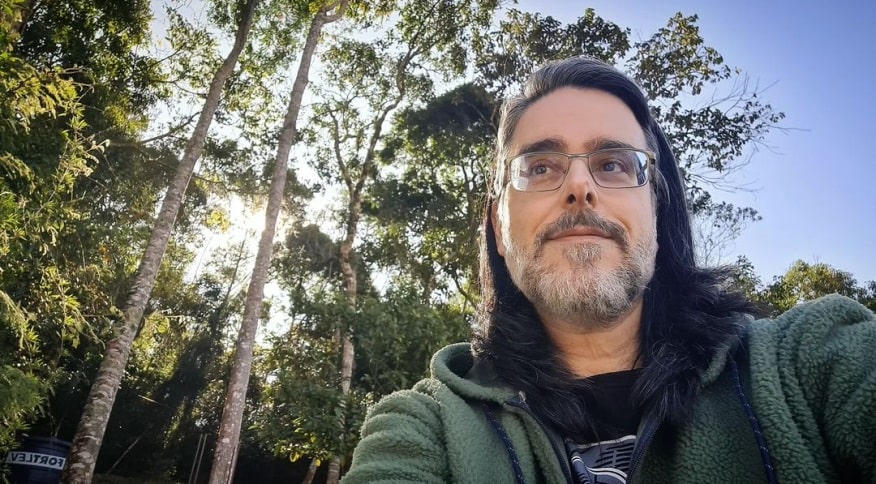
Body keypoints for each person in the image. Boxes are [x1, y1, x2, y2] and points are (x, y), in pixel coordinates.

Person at [341, 56, 876, 483]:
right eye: (540, 167)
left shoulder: (806, 364)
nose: (580, 187)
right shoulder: (427, 426)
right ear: (499, 230)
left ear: (657, 215)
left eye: (614, 164)